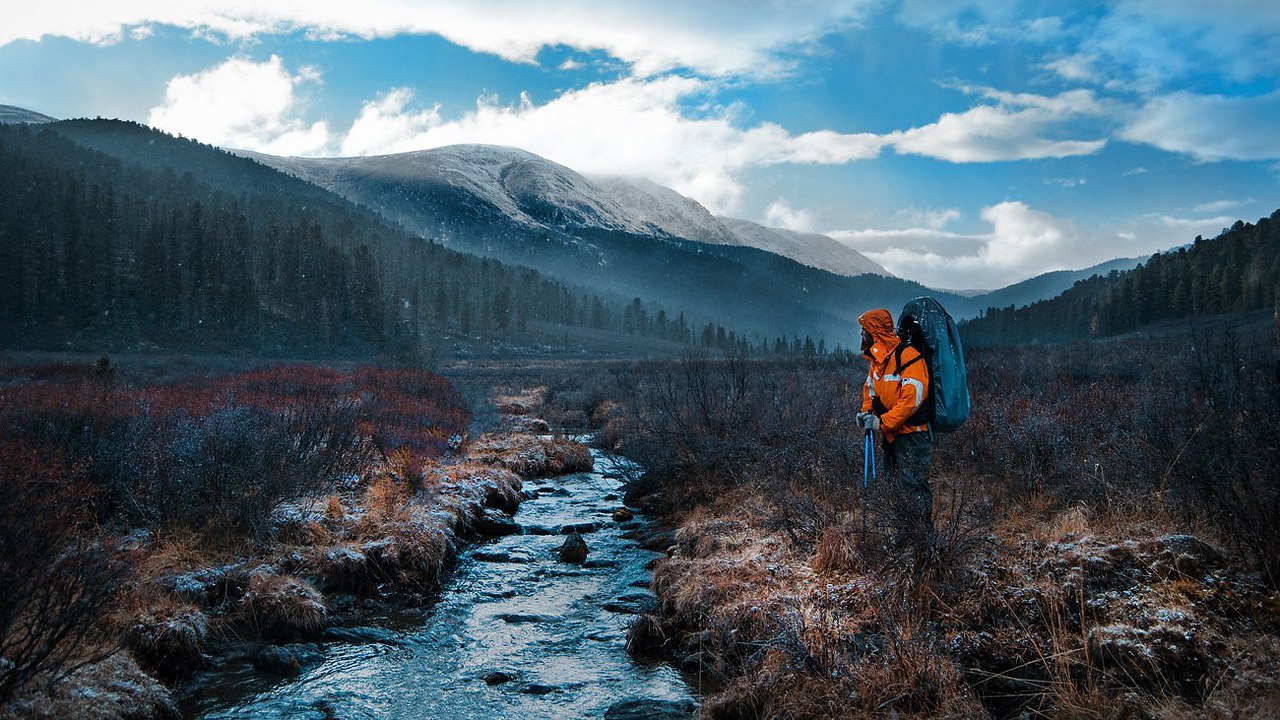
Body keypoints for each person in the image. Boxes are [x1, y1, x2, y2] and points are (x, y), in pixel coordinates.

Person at [855, 308, 934, 554]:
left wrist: (883, 422)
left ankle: (922, 543)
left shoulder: (909, 357)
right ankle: (905, 534)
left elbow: (913, 398)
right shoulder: (878, 363)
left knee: (914, 487)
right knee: (896, 486)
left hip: (913, 435)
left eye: (865, 331)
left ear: (875, 333)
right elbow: (870, 391)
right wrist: (867, 414)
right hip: (892, 437)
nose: (862, 335)